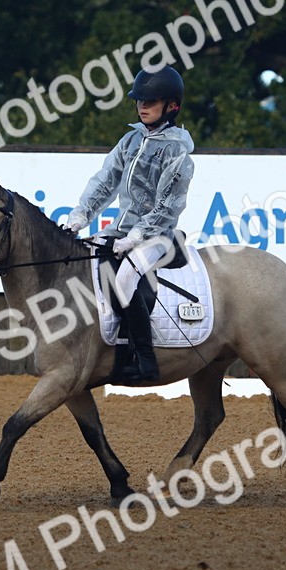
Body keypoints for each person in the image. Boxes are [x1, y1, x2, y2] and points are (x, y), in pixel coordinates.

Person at [64, 65, 194, 383]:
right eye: (140, 100)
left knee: (123, 280)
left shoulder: (177, 151)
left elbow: (167, 206)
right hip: (122, 230)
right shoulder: (130, 141)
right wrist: (81, 215)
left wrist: (137, 235)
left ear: (172, 106)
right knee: (87, 258)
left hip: (158, 234)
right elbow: (106, 180)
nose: (143, 106)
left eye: (151, 101)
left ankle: (145, 359)